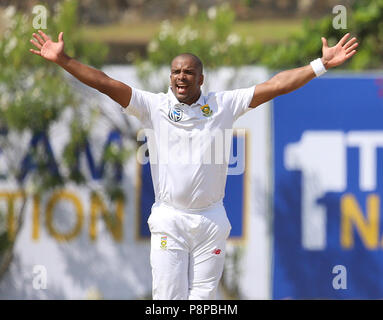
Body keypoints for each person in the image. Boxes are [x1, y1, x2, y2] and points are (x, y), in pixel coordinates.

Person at [29, 30, 358, 300]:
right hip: (170, 218)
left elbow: (275, 85)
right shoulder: (153, 106)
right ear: (170, 77)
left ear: (201, 78)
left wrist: (320, 65)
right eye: (175, 72)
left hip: (211, 219)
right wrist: (64, 60)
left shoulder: (222, 105)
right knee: (168, 302)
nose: (180, 77)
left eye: (188, 72)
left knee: (204, 302)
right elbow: (105, 82)